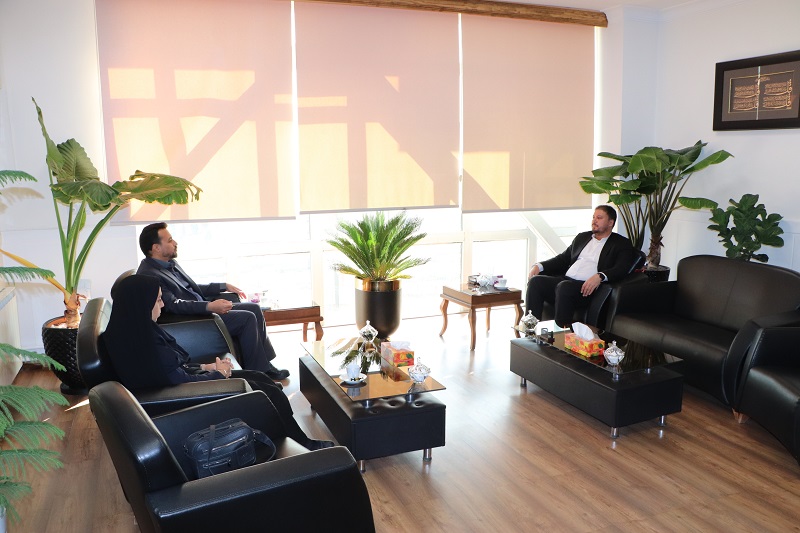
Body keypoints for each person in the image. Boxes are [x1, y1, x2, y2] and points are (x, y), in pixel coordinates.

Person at [102, 274, 333, 451]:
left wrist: (208, 367)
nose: (162, 305)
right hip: (187, 398)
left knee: (262, 378)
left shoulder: (134, 329)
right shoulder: (143, 342)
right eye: (158, 300)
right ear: (141, 303)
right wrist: (217, 376)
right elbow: (176, 381)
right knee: (264, 392)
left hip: (186, 384)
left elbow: (171, 370)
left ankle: (294, 437)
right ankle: (299, 444)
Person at [136, 222, 289, 381]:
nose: (175, 243)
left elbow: (190, 288)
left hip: (203, 310)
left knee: (254, 308)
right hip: (196, 319)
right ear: (156, 248)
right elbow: (174, 305)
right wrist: (209, 306)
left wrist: (222, 286)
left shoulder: (169, 264)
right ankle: (260, 373)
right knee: (247, 318)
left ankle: (265, 363)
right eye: (170, 240)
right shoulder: (150, 274)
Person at [526, 205, 636, 327]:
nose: (594, 221)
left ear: (611, 222)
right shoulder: (582, 237)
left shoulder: (621, 243)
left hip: (586, 289)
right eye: (593, 217)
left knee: (564, 287)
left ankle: (562, 333)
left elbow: (621, 268)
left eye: (599, 218)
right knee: (536, 282)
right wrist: (539, 266)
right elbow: (563, 259)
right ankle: (530, 328)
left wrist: (600, 276)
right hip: (566, 281)